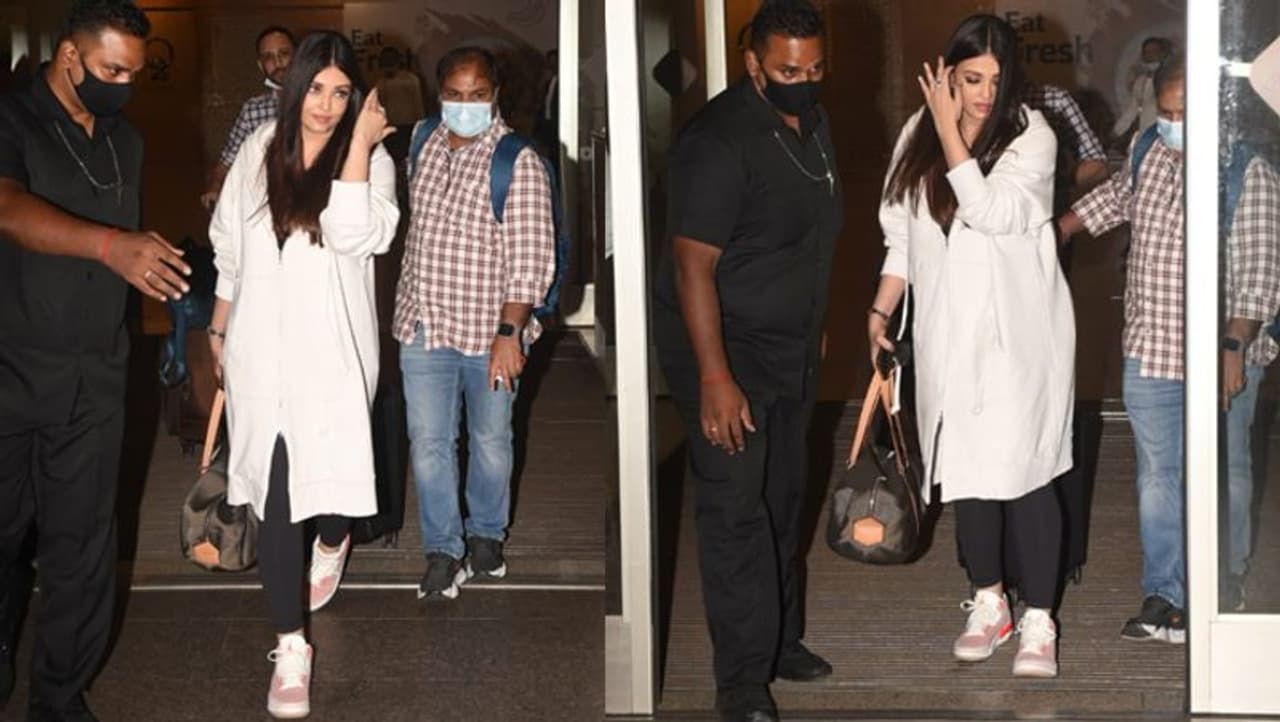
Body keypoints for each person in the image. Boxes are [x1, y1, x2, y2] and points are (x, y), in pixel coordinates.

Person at [868, 14, 1075, 679]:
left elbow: (990, 212)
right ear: (948, 74)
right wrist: (881, 309)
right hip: (947, 337)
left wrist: (950, 131)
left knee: (1025, 472)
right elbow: (902, 233)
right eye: (971, 78)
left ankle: (1039, 617)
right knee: (967, 473)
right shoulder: (918, 132)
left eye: (995, 78)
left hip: (1019, 340)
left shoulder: (1031, 136)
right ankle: (990, 602)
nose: (985, 93)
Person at [0, 1, 191, 719]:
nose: (125, 86)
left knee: (83, 548)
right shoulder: (11, 120)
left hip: (95, 375)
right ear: (69, 56)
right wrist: (112, 247)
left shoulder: (124, 140)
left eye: (135, 74)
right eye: (113, 71)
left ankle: (58, 697)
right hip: (9, 367)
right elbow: (7, 208)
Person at [652, 2, 840, 719]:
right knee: (735, 509)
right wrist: (714, 377)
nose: (804, 81)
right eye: (789, 70)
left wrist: (814, 323)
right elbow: (693, 266)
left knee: (785, 493)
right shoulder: (717, 140)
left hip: (790, 342)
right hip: (724, 346)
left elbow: (807, 236)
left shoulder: (813, 124)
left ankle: (780, 641)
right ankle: (740, 681)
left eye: (815, 69)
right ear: (754, 63)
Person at [207, 31, 398, 719]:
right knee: (278, 495)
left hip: (332, 358)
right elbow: (230, 244)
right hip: (261, 353)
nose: (325, 105)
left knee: (335, 484)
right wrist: (219, 328)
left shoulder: (371, 160)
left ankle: (335, 537)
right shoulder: (261, 149)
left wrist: (357, 148)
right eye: (316, 89)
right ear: (295, 87)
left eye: (341, 93)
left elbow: (357, 235)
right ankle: (291, 646)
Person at [1059, 54, 1280, 626]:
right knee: (1157, 476)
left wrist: (1233, 347)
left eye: (1186, 113)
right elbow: (1116, 199)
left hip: (1220, 354)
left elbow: (1260, 274)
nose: (1174, 124)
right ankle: (1166, 593)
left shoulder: (1246, 170)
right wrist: (1055, 230)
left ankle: (1223, 580)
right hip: (1152, 346)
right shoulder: (1146, 149)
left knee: (1226, 469)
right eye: (1167, 112)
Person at [393, 46, 555, 602]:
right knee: (429, 443)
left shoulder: (517, 160)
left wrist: (510, 334)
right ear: (439, 94)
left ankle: (486, 534)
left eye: (478, 95)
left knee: (490, 440)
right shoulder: (422, 140)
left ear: (495, 94)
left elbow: (531, 259)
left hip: (490, 332)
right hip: (424, 323)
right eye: (455, 95)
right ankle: (443, 550)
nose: (466, 105)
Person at [200, 25, 295, 211]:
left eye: (284, 53)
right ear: (260, 65)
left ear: (298, 56)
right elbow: (228, 160)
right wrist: (215, 188)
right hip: (267, 207)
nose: (278, 62)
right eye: (268, 57)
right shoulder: (253, 110)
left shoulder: (319, 101)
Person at [1112, 36, 1171, 141]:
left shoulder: (1170, 81)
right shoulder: (1140, 82)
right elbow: (1131, 110)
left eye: (1154, 52)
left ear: (1162, 54)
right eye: (1146, 53)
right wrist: (1116, 132)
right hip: (1144, 137)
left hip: (1164, 136)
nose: (1150, 56)